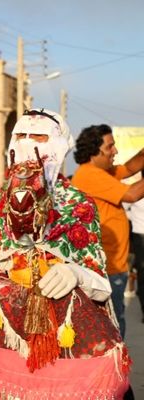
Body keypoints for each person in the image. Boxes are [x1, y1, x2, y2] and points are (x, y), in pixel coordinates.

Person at [0, 109, 130, 399]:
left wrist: (75, 273)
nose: (26, 144)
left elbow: (100, 284)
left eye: (38, 137)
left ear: (60, 145)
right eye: (19, 136)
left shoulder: (78, 205)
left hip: (62, 342)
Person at [72, 124, 144, 338]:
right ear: (94, 150)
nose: (115, 151)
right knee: (112, 328)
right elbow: (133, 193)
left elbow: (130, 168)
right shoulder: (90, 174)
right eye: (110, 146)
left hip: (113, 266)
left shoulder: (103, 172)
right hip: (106, 269)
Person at [127, 192, 144, 323]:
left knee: (142, 274)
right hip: (139, 237)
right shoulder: (133, 193)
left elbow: (125, 211)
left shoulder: (133, 192)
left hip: (139, 236)